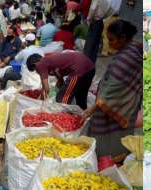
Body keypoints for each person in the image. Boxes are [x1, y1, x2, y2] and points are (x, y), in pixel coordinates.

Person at [83, 20, 142, 158]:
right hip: (124, 104)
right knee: (119, 134)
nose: (109, 43)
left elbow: (113, 88)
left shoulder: (127, 57)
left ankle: (107, 158)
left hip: (117, 105)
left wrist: (92, 109)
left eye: (111, 40)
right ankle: (117, 155)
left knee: (105, 133)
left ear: (122, 38)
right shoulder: (133, 50)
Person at [26, 51, 95, 110]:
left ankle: (64, 120)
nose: (37, 71)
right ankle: (83, 117)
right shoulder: (51, 63)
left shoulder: (40, 64)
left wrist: (42, 103)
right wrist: (55, 91)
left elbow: (45, 88)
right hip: (90, 68)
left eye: (35, 70)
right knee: (80, 97)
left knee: (62, 99)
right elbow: (60, 81)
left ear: (34, 64)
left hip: (79, 69)